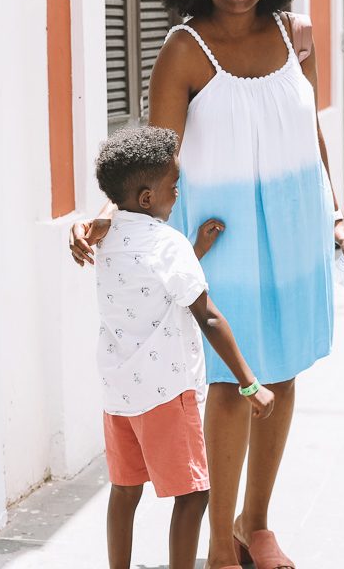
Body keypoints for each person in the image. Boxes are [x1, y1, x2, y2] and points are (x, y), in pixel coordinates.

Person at [72, 0, 344, 569]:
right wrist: (113, 217)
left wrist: (334, 215)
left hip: (293, 227)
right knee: (234, 384)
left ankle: (253, 526)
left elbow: (309, 128)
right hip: (223, 236)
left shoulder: (299, 34)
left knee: (282, 375)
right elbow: (156, 156)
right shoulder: (184, 48)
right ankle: (217, 552)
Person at [92, 125, 275, 569]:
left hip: (119, 395)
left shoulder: (107, 238)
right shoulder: (166, 245)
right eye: (172, 186)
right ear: (147, 198)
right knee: (195, 494)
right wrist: (250, 384)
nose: (178, 192)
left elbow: (152, 285)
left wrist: (195, 251)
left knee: (125, 491)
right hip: (167, 394)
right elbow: (208, 316)